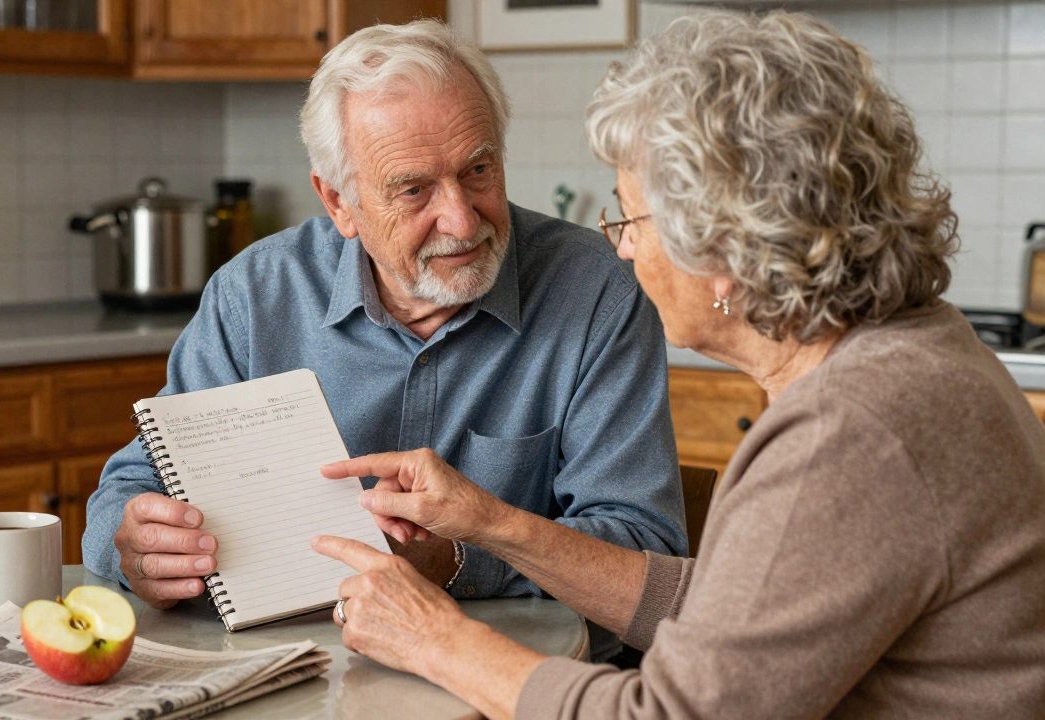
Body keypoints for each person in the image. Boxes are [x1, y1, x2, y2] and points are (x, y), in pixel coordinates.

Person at [311, 12, 1045, 719]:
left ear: (726, 250)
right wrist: (491, 523)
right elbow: (743, 615)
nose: (621, 250)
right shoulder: (911, 358)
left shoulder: (849, 431)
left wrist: (435, 638)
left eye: (630, 218)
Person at [81, 18, 685, 656]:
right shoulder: (255, 296)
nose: (460, 217)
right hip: (295, 671)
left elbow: (645, 553)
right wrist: (134, 545)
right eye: (413, 189)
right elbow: (132, 487)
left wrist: (458, 561)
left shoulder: (597, 291)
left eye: (479, 170)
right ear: (338, 201)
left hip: (526, 680)